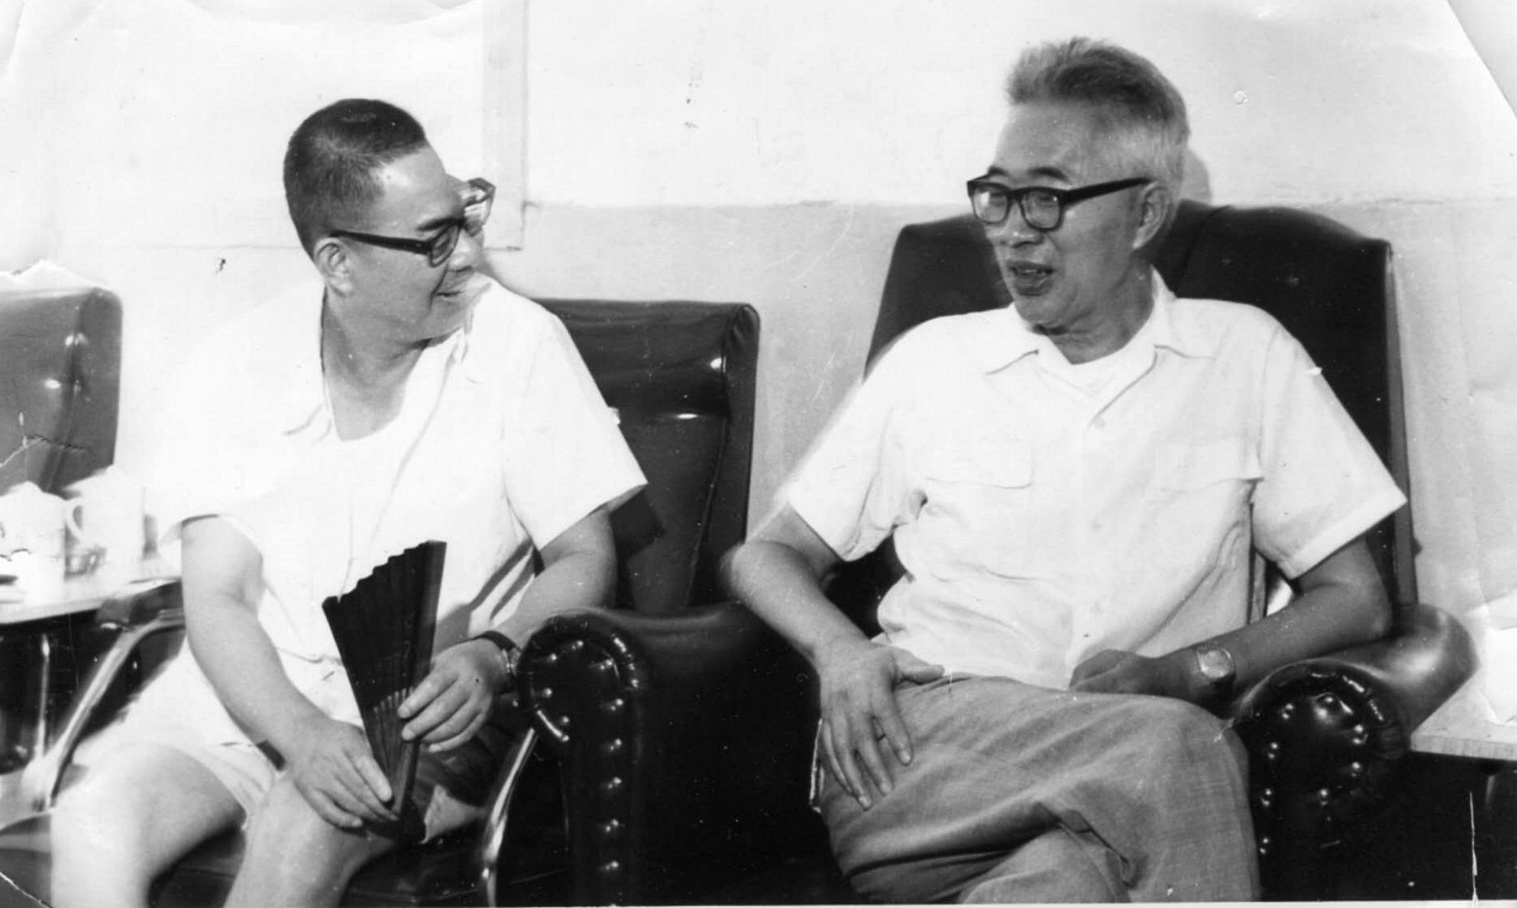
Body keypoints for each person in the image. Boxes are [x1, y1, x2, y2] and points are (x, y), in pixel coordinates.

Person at [723, 37, 1406, 903]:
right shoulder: (934, 360)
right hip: (921, 751)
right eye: (997, 195)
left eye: (1046, 198)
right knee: (1178, 746)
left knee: (1065, 882)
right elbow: (766, 553)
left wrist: (1186, 671)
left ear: (1145, 214)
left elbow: (1355, 596)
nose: (1012, 230)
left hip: (1129, 783)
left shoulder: (1245, 355)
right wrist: (840, 654)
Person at [47, 98, 645, 908]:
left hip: (431, 720)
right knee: (95, 823)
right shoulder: (237, 362)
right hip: (253, 703)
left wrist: (493, 655)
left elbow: (584, 556)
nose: (470, 254)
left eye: (466, 215)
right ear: (338, 262)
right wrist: (299, 733)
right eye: (434, 239)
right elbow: (219, 596)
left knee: (303, 822)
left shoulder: (519, 344)